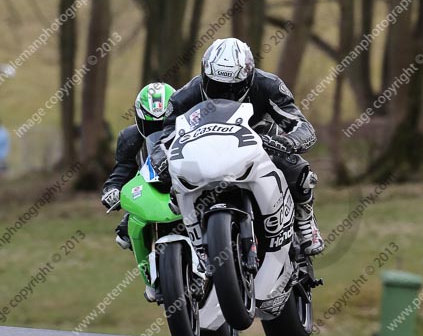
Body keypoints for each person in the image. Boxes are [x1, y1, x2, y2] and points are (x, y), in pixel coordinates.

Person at [152, 37, 324, 255]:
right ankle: (194, 242)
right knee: (174, 186)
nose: (225, 93)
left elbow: (302, 125)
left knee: (294, 166)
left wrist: (288, 141)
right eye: (217, 86)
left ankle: (304, 218)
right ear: (205, 76)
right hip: (205, 149)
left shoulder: (268, 85)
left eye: (233, 88)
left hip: (259, 143)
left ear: (249, 77)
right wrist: (162, 163)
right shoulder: (185, 96)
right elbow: (165, 139)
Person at [101, 82, 175, 252]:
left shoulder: (190, 129)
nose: (159, 131)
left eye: (165, 124)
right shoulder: (130, 138)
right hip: (151, 189)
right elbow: (122, 170)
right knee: (123, 236)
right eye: (152, 125)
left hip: (185, 184)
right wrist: (111, 189)